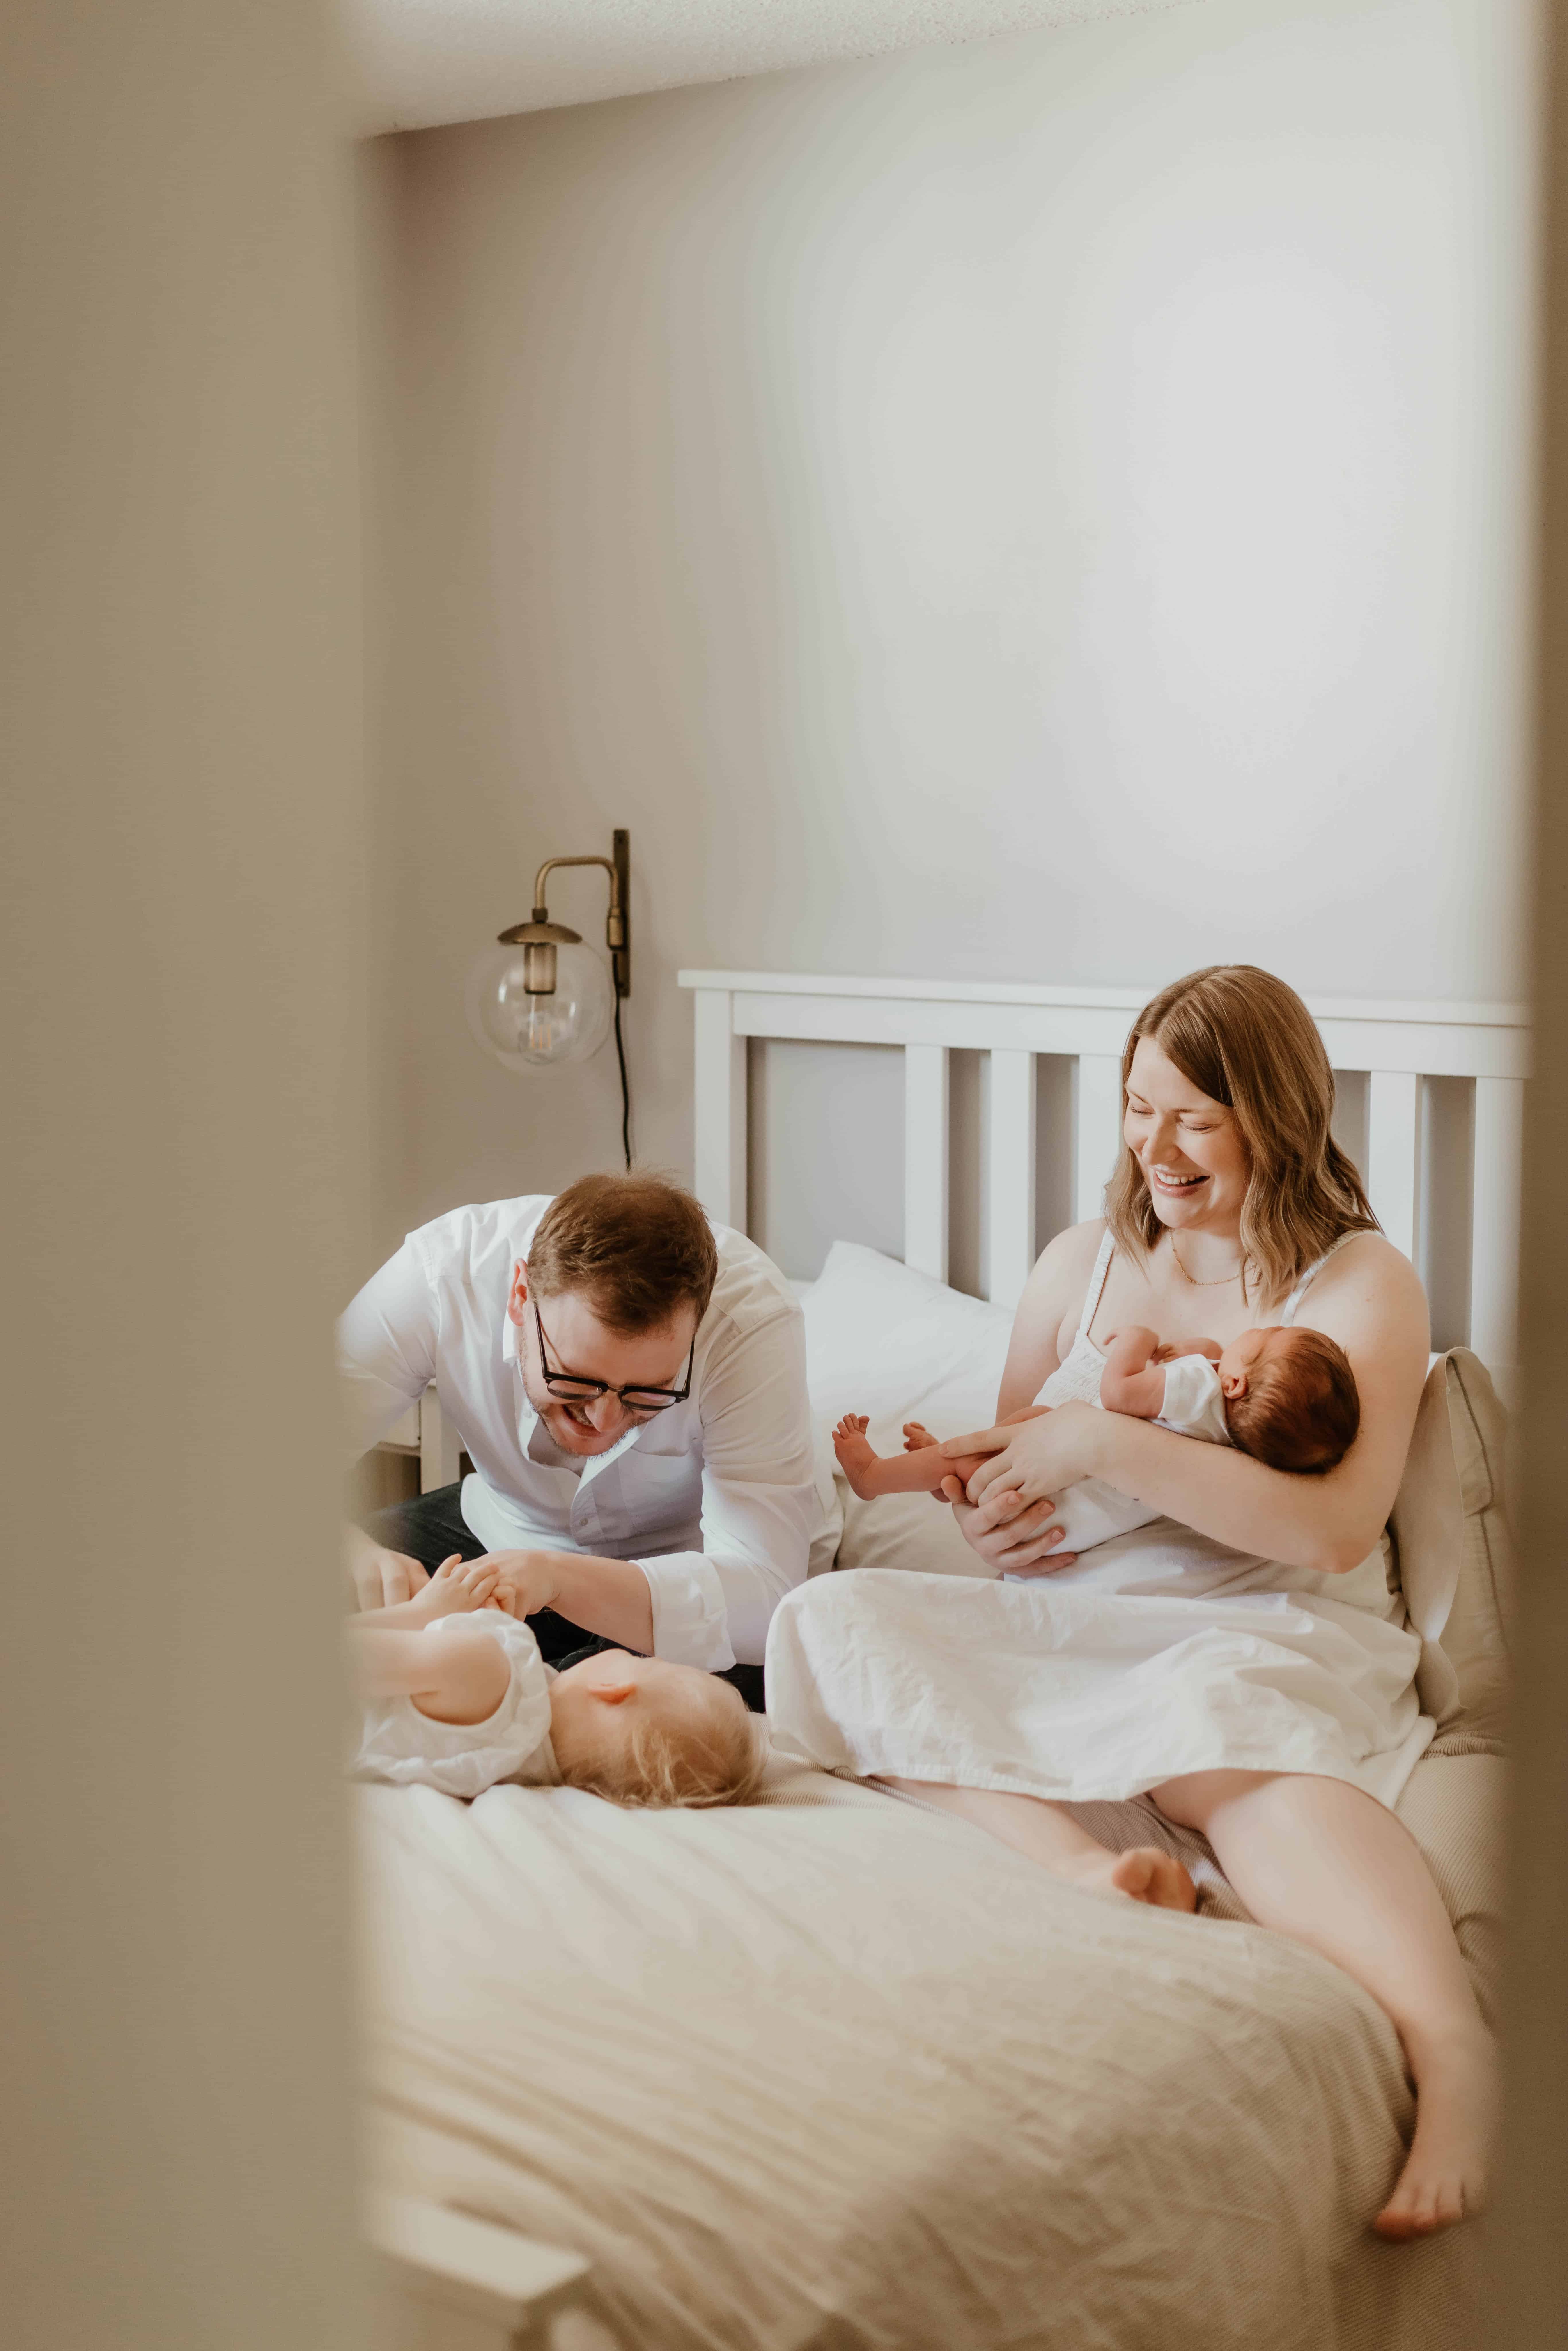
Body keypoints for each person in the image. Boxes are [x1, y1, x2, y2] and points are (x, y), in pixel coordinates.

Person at [768, 965, 1493, 2243]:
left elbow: (1331, 1532)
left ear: (1277, 1112)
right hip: (1071, 1621)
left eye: (1193, 1116)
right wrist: (988, 1517)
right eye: (1135, 1105)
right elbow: (996, 1472)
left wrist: (1102, 1447)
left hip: (1254, 1621)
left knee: (1219, 1726)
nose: (1152, 1146)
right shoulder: (1076, 1266)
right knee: (831, 1623)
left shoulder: (1359, 1281)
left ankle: (1453, 2044)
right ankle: (1094, 1867)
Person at [339, 1172, 835, 1708]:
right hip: (507, 1527)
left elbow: (763, 1597)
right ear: (520, 1296)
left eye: (648, 1392)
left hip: (693, 1569)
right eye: (575, 1380)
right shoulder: (443, 1274)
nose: (603, 1419)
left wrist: (556, 1578)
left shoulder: (749, 1325)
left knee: (605, 1719)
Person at [831, 1317, 1360, 1525]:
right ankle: (942, 1471)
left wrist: (1139, 1339)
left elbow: (1121, 1392)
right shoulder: (1236, 1433)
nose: (1268, 1325)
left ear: (1235, 1385)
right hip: (1087, 1512)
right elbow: (1208, 1357)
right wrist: (1200, 1353)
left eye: (1271, 1336)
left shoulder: (1201, 1388)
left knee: (1012, 1436)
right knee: (995, 1452)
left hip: (1068, 1484)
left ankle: (874, 1477)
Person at [348, 1554, 762, 1807]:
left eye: (654, 1663)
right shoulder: (515, 1769)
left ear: (614, 1687)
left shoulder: (486, 1667)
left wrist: (426, 1613)